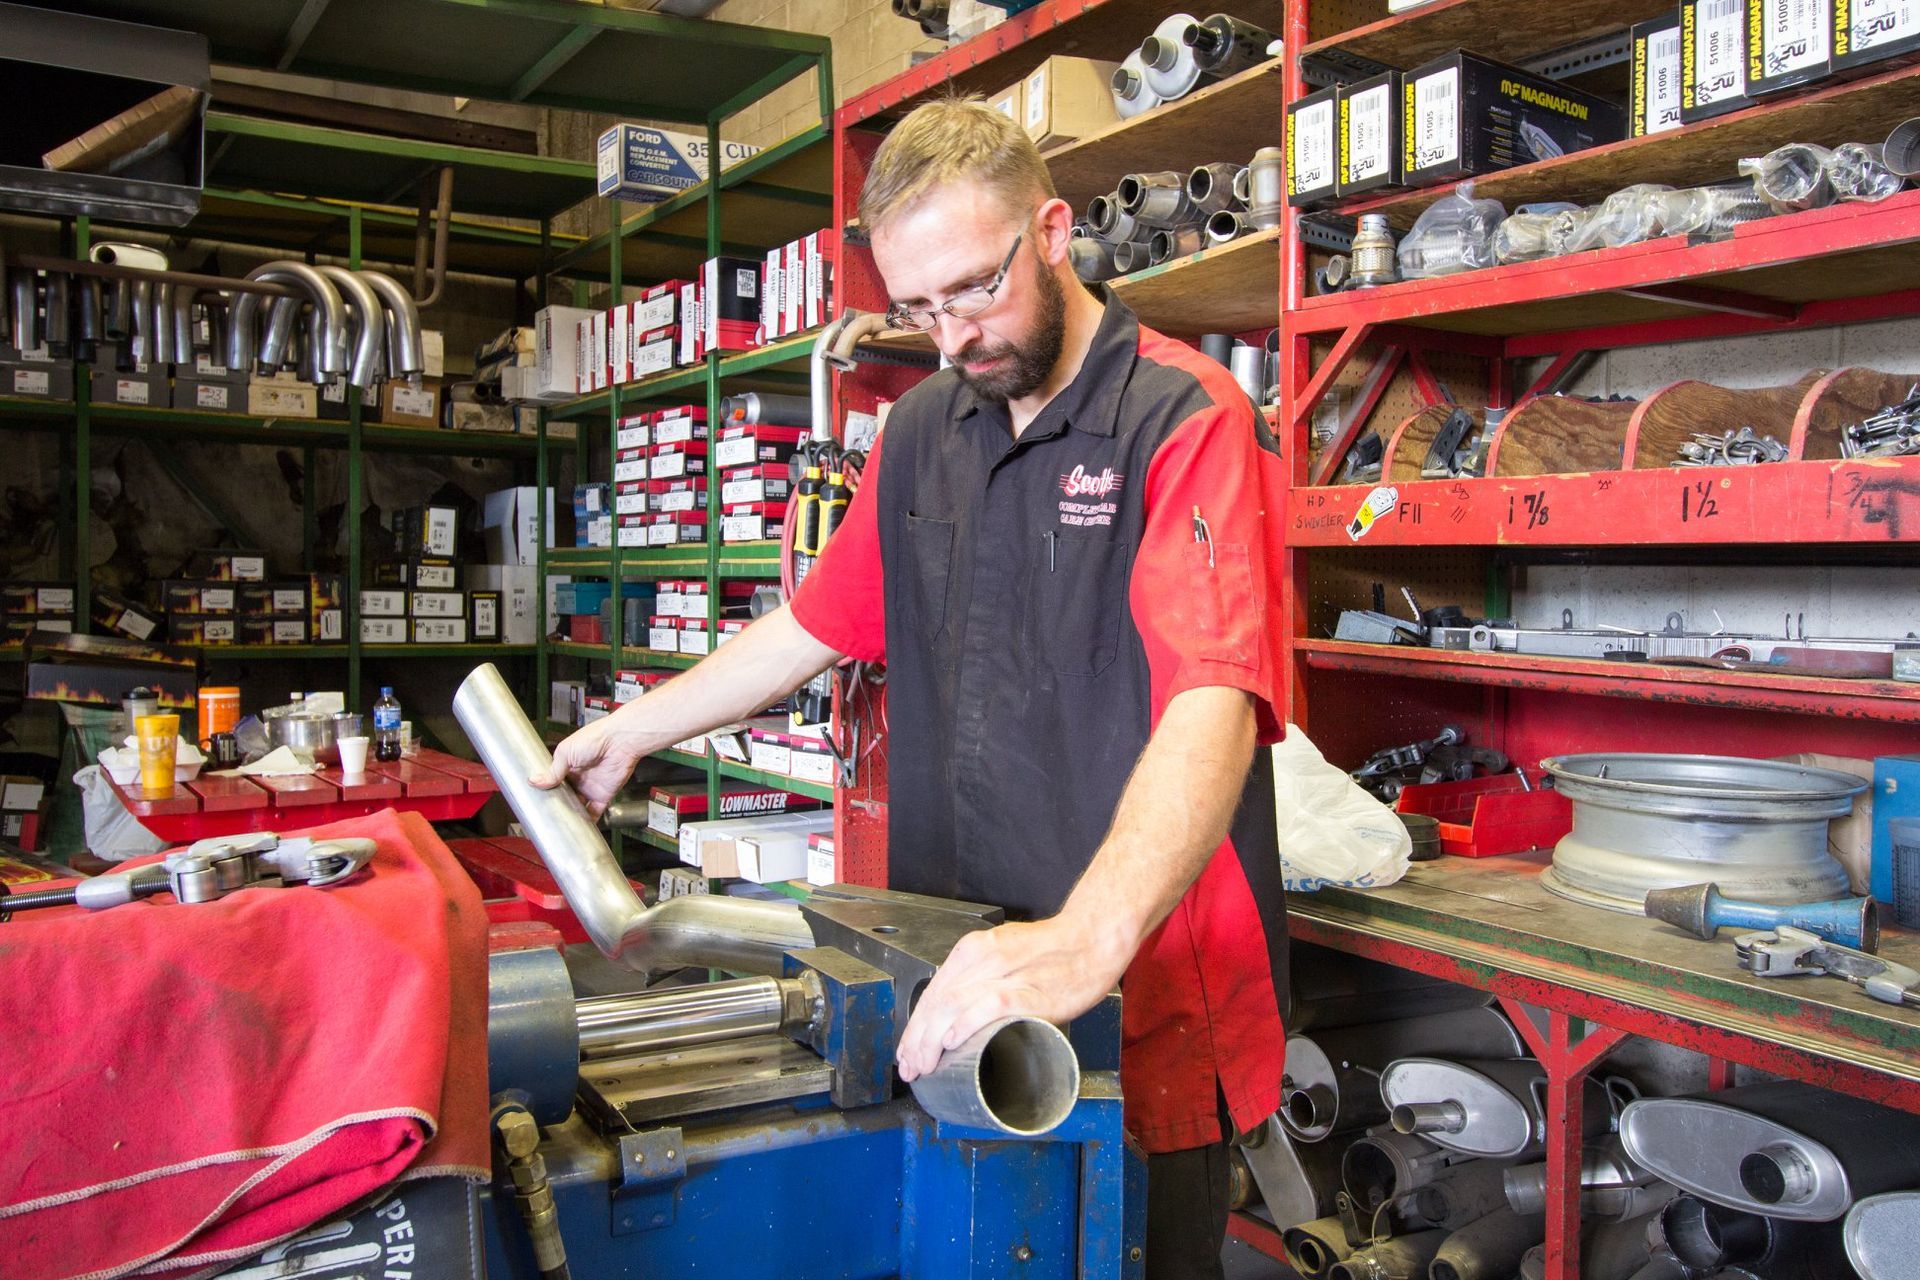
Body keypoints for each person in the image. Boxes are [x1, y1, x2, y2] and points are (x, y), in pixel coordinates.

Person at [536, 98, 1289, 1278]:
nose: (952, 339)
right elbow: (812, 624)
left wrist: (1085, 939)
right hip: (957, 975)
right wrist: (633, 727)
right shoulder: (928, 426)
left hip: (1137, 993)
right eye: (920, 308)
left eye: (975, 290)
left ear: (1051, 230)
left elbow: (1217, 700)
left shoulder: (1183, 420)